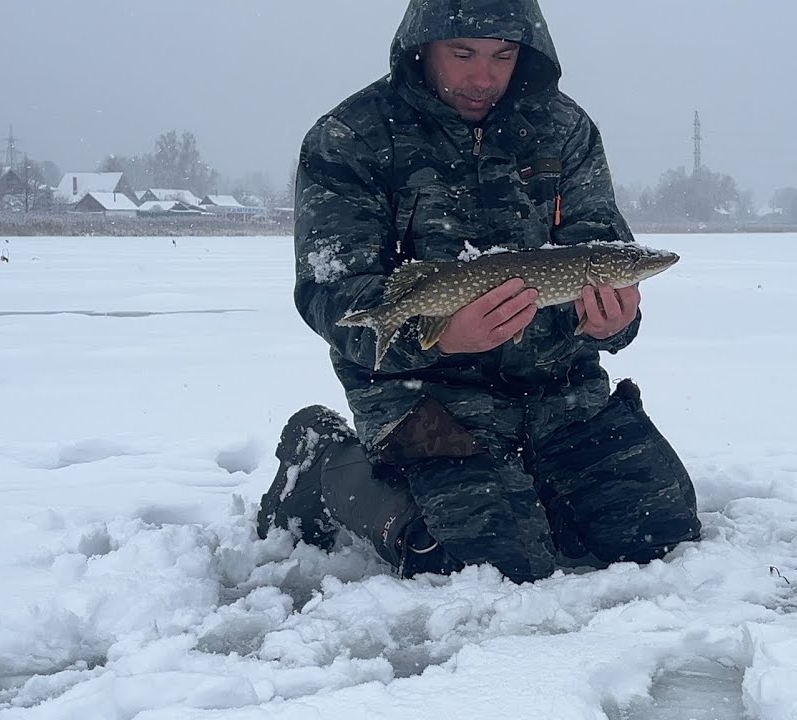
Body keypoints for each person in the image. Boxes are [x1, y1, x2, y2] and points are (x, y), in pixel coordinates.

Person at [256, 0, 701, 584]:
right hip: (425, 401)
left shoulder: (564, 130)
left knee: (658, 532)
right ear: (424, 47)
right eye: (463, 54)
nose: (484, 77)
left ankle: (527, 488)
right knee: (480, 565)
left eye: (504, 55)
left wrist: (613, 323)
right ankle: (322, 464)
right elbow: (330, 293)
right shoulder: (351, 138)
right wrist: (441, 339)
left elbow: (601, 246)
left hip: (560, 396)